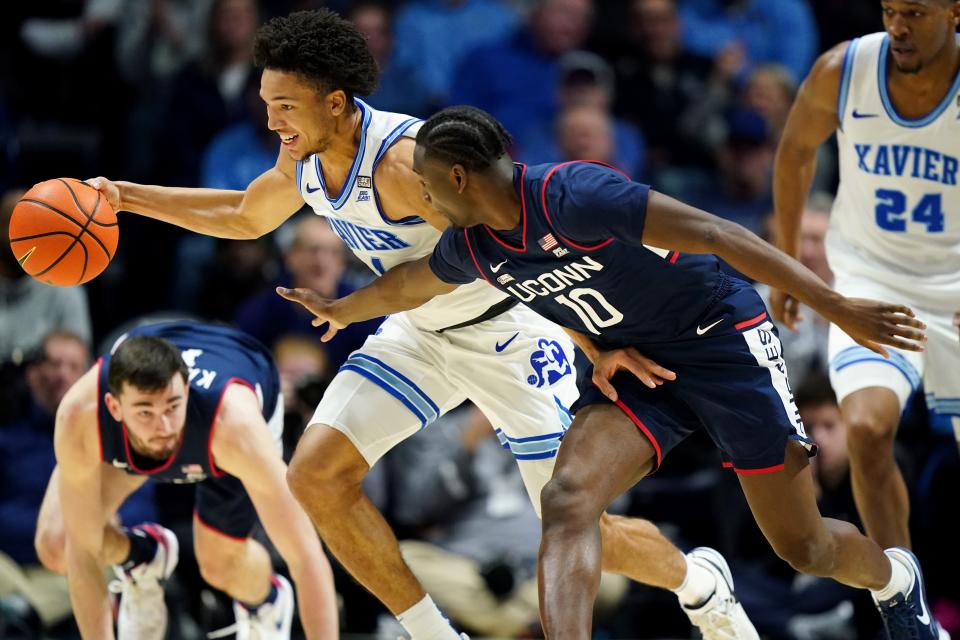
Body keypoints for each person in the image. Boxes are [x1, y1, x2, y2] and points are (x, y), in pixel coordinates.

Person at [86, 9, 759, 639]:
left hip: (511, 332)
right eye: (266, 104)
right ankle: (433, 633)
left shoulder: (408, 164)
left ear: (335, 102)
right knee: (315, 474)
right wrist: (125, 198)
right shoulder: (306, 152)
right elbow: (244, 215)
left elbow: (517, 243)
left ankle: (699, 581)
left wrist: (592, 337)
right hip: (420, 333)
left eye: (283, 105)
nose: (271, 121)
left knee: (584, 526)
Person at [276, 104, 942, 640]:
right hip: (636, 362)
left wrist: (837, 306)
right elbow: (409, 286)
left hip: (720, 343)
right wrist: (341, 308)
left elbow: (718, 234)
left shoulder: (575, 195)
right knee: (566, 500)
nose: (418, 193)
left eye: (425, 179)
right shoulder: (471, 245)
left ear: (457, 179)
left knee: (806, 547)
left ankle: (894, 581)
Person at [771, 0, 960, 567]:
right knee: (866, 431)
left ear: (954, 11)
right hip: (873, 278)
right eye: (888, 11)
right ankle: (908, 601)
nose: (897, 27)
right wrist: (789, 262)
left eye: (915, 13)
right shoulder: (844, 69)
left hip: (954, 282)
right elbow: (795, 153)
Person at [32, 321, 337, 639]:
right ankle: (141, 556)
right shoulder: (80, 416)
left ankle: (267, 601)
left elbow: (306, 556)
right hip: (150, 359)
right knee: (58, 544)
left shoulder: (236, 428)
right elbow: (82, 553)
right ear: (114, 407)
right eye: (145, 412)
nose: (163, 426)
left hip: (234, 392)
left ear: (186, 391)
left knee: (220, 567)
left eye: (173, 406)